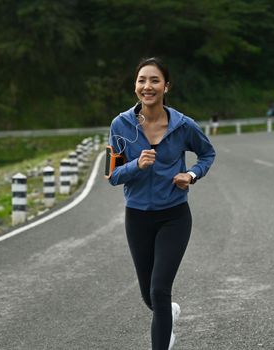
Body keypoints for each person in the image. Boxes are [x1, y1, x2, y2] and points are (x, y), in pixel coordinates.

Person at [107, 57, 215, 350]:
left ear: (166, 86)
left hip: (174, 216)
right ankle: (169, 315)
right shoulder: (120, 125)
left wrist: (191, 175)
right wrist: (136, 166)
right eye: (142, 80)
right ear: (135, 87)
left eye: (154, 80)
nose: (147, 86)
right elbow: (113, 174)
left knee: (159, 290)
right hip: (137, 218)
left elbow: (207, 154)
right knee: (148, 295)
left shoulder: (183, 126)